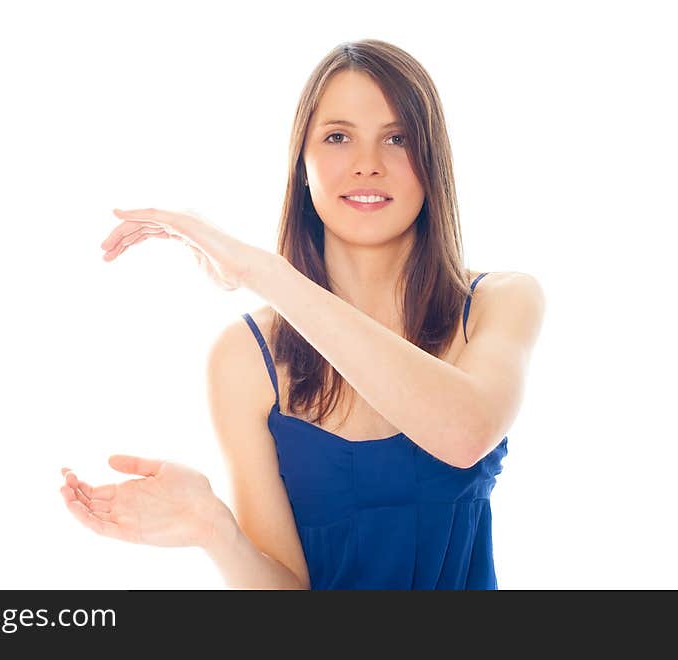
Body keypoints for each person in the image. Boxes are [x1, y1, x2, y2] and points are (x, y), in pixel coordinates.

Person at [60, 39, 545, 589]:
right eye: (338, 137)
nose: (367, 165)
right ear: (303, 166)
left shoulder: (498, 301)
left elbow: (464, 433)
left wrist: (264, 272)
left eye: (397, 138)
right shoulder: (245, 357)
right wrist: (215, 530)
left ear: (432, 162)